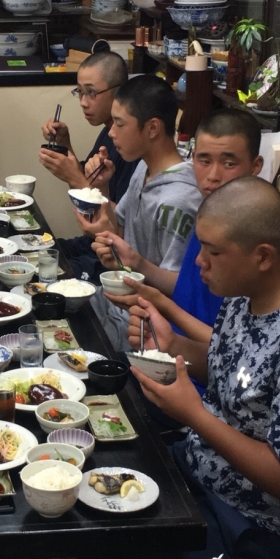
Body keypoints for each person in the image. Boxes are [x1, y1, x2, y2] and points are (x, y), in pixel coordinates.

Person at [62, 177, 280, 559]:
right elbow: (231, 364)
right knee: (80, 520)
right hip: (197, 474)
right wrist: (171, 347)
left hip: (259, 529)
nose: (199, 264)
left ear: (262, 255)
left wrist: (194, 414)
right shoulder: (246, 295)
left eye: (212, 252)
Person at [108, 110, 263, 373]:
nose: (213, 175)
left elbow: (238, 353)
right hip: (166, 354)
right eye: (204, 161)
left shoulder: (256, 244)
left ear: (255, 166)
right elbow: (188, 290)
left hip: (196, 375)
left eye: (229, 163)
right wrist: (138, 268)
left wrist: (164, 312)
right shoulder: (207, 213)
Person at [76, 75, 201, 351]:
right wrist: (102, 190)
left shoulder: (180, 199)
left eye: (119, 124)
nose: (111, 132)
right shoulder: (144, 167)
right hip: (116, 302)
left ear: (153, 128)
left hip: (144, 326)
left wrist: (135, 262)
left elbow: (183, 287)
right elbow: (120, 230)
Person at [39, 51, 139, 282]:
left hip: (111, 255)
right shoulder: (108, 131)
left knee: (45, 275)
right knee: (36, 252)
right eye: (80, 92)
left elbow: (121, 222)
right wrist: (65, 145)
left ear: (118, 91)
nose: (83, 102)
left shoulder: (130, 146)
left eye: (91, 93)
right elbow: (90, 183)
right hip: (92, 244)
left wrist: (74, 178)